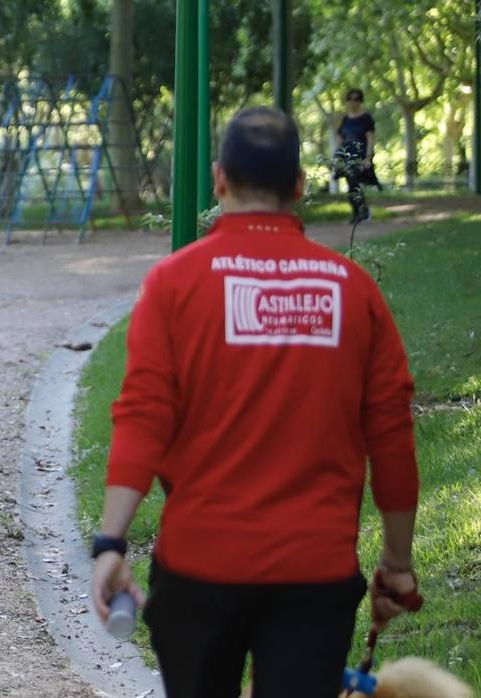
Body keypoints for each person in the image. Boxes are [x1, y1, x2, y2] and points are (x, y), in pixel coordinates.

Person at [89, 107, 420, 698]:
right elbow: (392, 435)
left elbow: (143, 418)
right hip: (314, 576)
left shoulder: (173, 284)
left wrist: (112, 542)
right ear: (298, 186)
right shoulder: (354, 291)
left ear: (218, 180)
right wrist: (395, 564)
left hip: (198, 572)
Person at [334, 88, 380, 224]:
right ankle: (358, 213)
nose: (353, 102)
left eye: (356, 99)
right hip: (346, 156)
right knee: (351, 185)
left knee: (355, 183)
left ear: (360, 101)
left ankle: (361, 211)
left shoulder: (366, 119)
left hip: (360, 155)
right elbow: (339, 137)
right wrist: (336, 155)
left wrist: (368, 157)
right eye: (350, 99)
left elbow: (370, 138)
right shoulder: (345, 120)